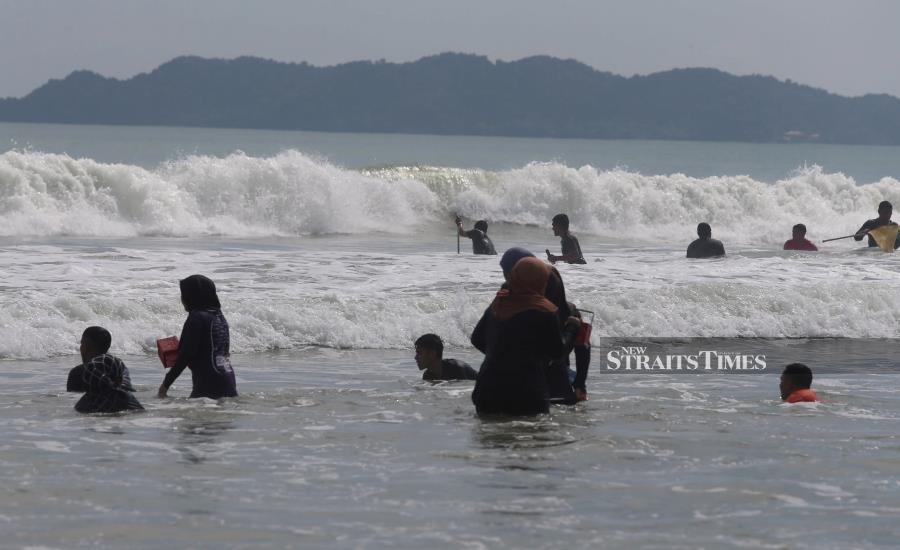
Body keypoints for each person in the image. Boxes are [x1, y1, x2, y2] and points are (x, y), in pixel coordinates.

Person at [471, 257, 581, 415]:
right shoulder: (544, 311)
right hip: (527, 397)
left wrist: (503, 357)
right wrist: (572, 327)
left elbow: (477, 339)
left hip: (487, 394)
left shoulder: (499, 303)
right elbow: (557, 352)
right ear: (541, 281)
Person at [158, 275, 238, 399]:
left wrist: (165, 386)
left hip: (209, 383)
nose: (182, 298)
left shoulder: (196, 318)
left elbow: (185, 356)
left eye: (184, 294)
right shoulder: (219, 317)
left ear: (192, 296)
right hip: (228, 378)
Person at [67, 326, 143, 413]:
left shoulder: (78, 373)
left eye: (82, 343)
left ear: (85, 346)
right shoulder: (117, 365)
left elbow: (71, 397)